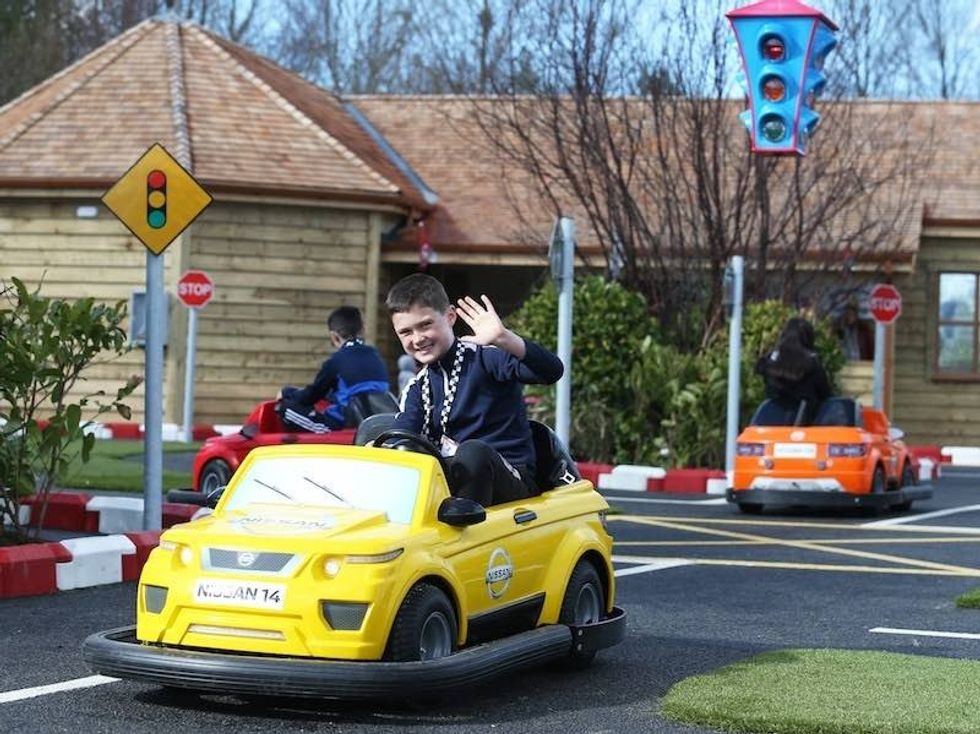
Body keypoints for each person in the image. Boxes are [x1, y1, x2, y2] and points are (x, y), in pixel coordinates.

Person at [386, 273, 563, 506]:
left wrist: (505, 338)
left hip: (511, 480)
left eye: (425, 324)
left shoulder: (485, 357)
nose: (417, 339)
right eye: (406, 332)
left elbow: (551, 371)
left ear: (450, 316)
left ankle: (460, 529)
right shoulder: (417, 387)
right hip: (452, 485)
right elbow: (403, 437)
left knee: (472, 453)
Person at [278, 306, 391, 433]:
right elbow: (354, 392)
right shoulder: (375, 356)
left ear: (334, 336)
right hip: (374, 421)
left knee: (285, 409)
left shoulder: (335, 361)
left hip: (341, 425)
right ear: (363, 329)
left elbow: (311, 396)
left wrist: (287, 392)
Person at [755, 316, 832, 424]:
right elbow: (826, 396)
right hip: (807, 428)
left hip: (771, 427)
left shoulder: (770, 362)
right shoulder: (813, 364)